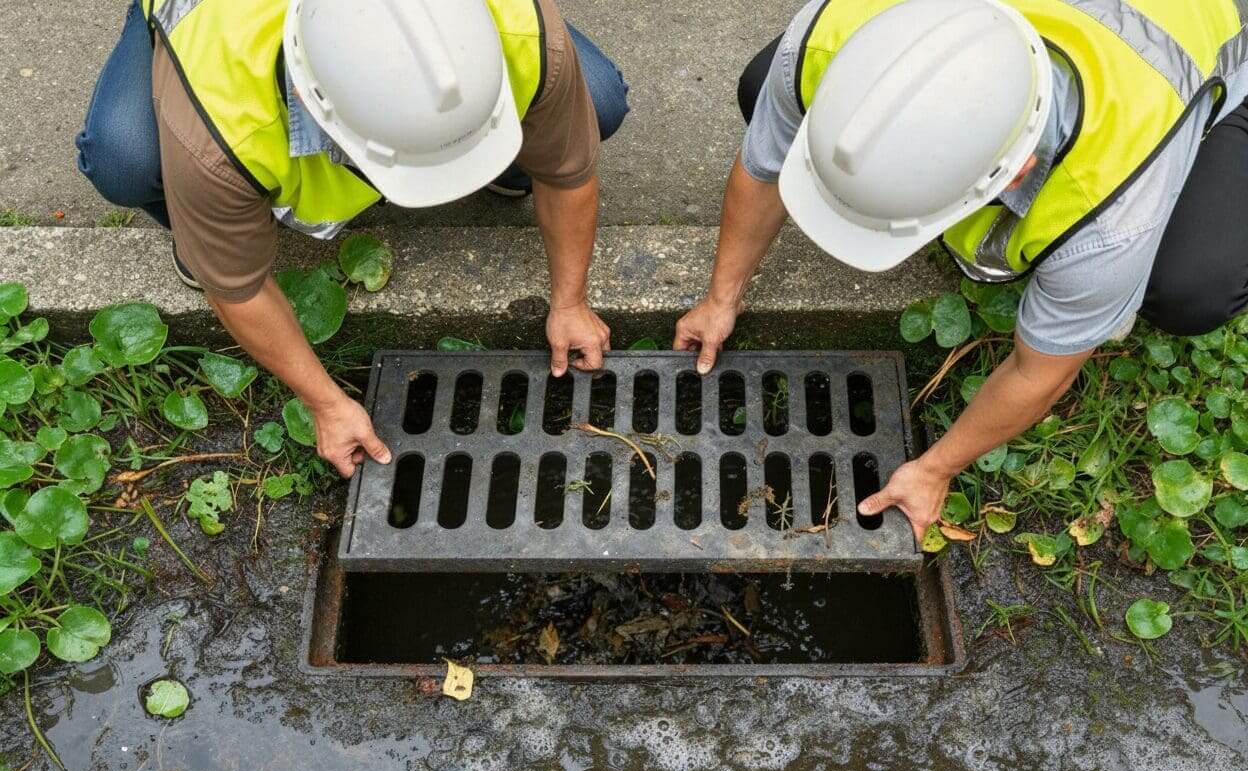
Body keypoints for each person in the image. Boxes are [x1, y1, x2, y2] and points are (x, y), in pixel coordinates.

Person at [674, 0, 1248, 542]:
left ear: (1016, 170)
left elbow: (1039, 373)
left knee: (1191, 289)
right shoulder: (834, 36)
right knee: (764, 88)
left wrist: (933, 468)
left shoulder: (1111, 211)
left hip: (1195, 49)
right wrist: (720, 297)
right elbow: (764, 165)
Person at [76, 0, 629, 478]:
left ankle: (495, 161)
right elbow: (239, 293)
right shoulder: (221, 122)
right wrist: (326, 403)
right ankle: (209, 232)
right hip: (204, 24)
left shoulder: (514, 29)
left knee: (596, 97)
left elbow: (569, 172)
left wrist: (571, 300)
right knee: (123, 159)